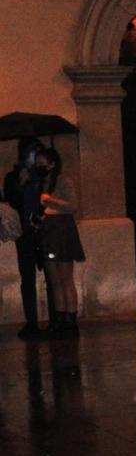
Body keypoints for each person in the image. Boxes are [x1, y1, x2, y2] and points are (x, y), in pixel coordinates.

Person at [30, 147, 85, 338]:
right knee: (54, 281)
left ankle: (71, 320)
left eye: (42, 164)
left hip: (63, 232)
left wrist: (50, 200)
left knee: (65, 279)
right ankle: (59, 320)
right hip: (48, 233)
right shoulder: (40, 182)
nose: (38, 167)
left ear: (52, 164)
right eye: (36, 164)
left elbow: (73, 205)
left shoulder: (62, 180)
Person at [6, 139, 50, 338]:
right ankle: (31, 322)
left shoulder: (43, 175)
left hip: (43, 231)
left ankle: (57, 320)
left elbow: (49, 198)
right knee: (28, 278)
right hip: (24, 234)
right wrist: (21, 184)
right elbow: (10, 200)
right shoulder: (12, 176)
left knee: (51, 275)